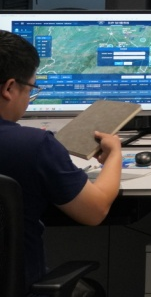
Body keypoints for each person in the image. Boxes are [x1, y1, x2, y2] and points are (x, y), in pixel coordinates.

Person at [0, 30, 121, 297]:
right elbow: (95, 211)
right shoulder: (34, 145)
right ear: (9, 88)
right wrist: (114, 156)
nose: (29, 99)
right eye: (31, 89)